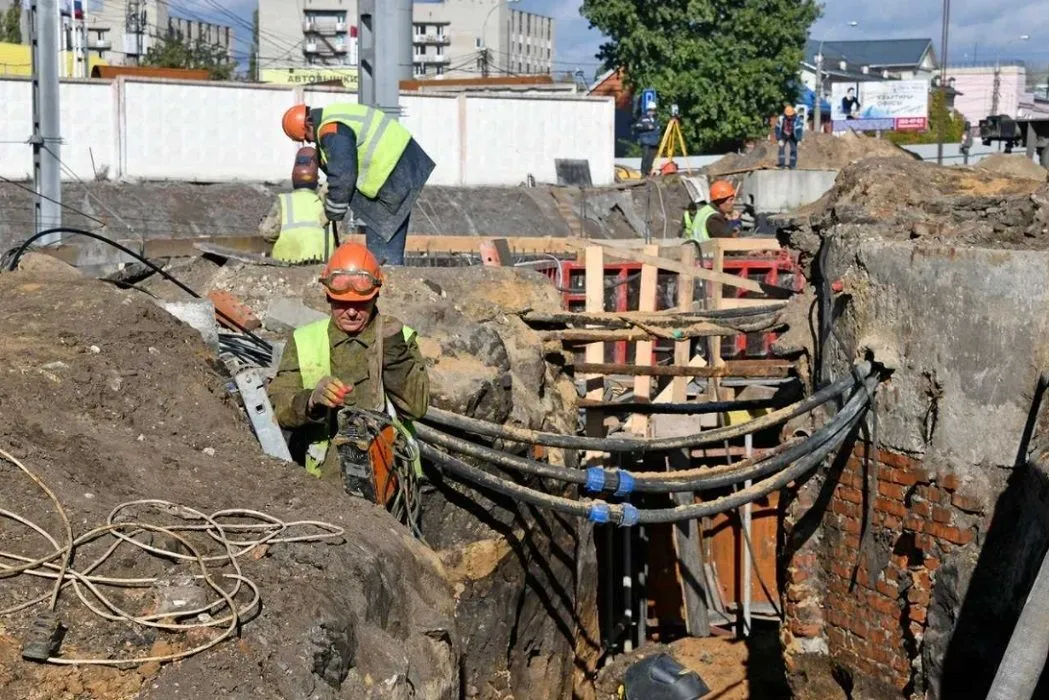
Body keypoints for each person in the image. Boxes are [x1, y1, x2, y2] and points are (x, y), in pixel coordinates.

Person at [269, 241, 429, 478]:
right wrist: (311, 401)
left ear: (375, 296)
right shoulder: (304, 340)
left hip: (392, 474)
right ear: (328, 297)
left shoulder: (399, 338)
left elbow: (416, 407)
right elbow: (279, 407)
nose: (352, 312)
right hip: (326, 480)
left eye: (360, 304)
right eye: (343, 304)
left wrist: (393, 350)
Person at [280, 103, 436, 266]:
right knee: (385, 246)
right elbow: (345, 160)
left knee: (382, 254)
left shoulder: (330, 128)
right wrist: (330, 185)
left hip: (395, 173)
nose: (311, 141)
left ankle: (386, 280)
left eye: (307, 137)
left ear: (309, 124)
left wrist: (332, 212)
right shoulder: (334, 117)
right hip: (403, 167)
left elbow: (344, 174)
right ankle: (388, 276)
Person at [260, 146, 337, 264]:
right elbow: (340, 239)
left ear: (293, 177)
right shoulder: (327, 202)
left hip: (286, 267)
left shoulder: (283, 201)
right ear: (316, 179)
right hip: (322, 266)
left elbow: (268, 233)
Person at [633, 101, 662, 177]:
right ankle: (643, 173)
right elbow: (637, 126)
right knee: (645, 156)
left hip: (654, 142)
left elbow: (658, 130)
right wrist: (646, 127)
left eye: (653, 110)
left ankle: (648, 171)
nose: (652, 112)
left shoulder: (656, 119)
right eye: (651, 110)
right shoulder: (643, 118)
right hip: (646, 141)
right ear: (648, 110)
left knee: (651, 158)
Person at [776, 105, 804, 170]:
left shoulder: (797, 120)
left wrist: (799, 140)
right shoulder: (781, 118)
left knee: (794, 150)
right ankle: (782, 165)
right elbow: (777, 128)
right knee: (781, 149)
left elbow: (799, 130)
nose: (789, 116)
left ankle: (792, 165)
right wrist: (779, 139)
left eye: (790, 115)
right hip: (783, 134)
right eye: (787, 115)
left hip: (793, 135)